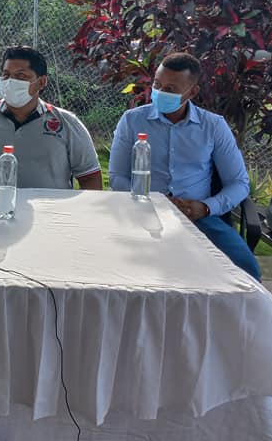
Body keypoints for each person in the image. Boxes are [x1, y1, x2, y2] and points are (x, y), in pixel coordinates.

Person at [109, 52, 261, 281]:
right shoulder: (132, 120)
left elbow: (239, 183)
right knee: (123, 272)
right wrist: (149, 201)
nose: (160, 92)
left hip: (197, 217)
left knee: (247, 271)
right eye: (157, 85)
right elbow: (117, 177)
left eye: (170, 89)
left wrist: (206, 208)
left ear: (192, 92)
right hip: (144, 214)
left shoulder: (213, 126)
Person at [0, 45, 102, 190]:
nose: (11, 81)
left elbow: (90, 177)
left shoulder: (67, 123)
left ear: (42, 82)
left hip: (49, 213)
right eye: (6, 75)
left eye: (21, 76)